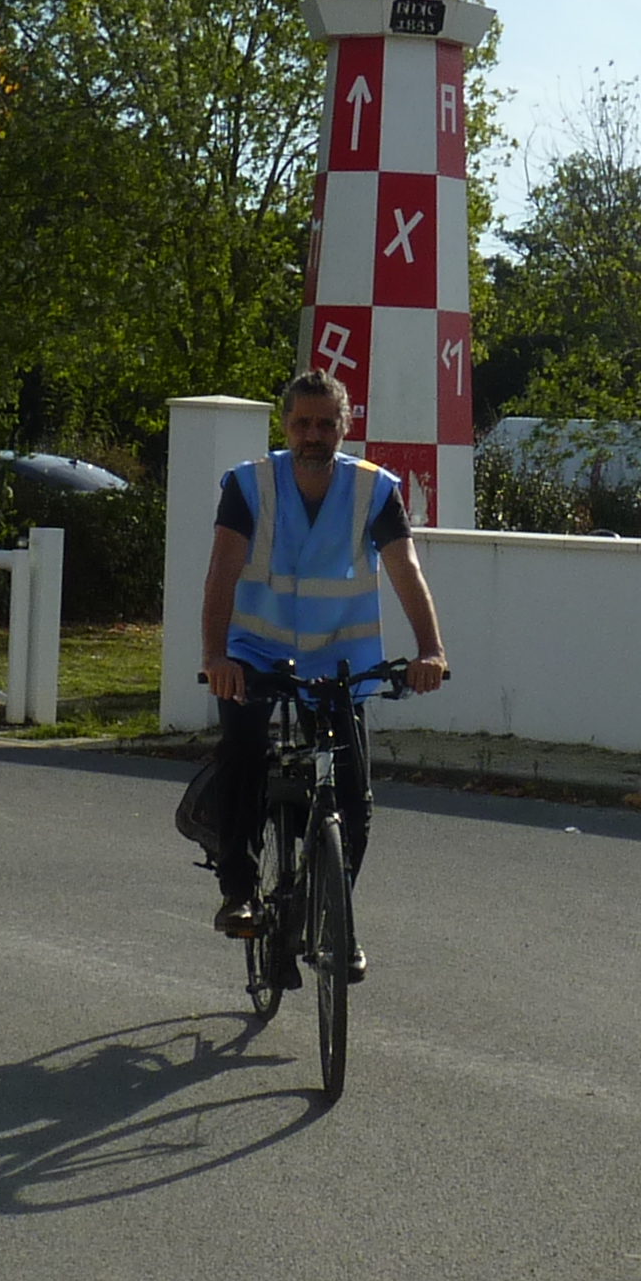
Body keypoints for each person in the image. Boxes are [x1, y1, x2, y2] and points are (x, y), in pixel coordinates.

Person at [196, 371, 448, 970]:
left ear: (344, 426)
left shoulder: (374, 490)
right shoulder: (248, 485)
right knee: (245, 751)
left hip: (339, 659)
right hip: (254, 653)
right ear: (284, 427)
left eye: (326, 424)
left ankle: (331, 914)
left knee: (353, 798)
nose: (313, 435)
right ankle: (238, 890)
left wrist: (431, 650)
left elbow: (405, 570)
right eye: (302, 423)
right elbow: (221, 576)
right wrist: (215, 657)